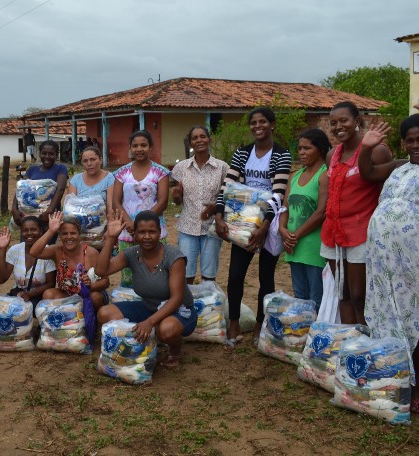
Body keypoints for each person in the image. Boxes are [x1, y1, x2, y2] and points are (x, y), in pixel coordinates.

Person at [359, 99, 419, 414]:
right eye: (410, 140)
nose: (415, 145)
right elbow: (368, 171)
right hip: (385, 262)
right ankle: (391, 379)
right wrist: (366, 145)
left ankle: (415, 390)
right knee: (388, 316)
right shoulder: (399, 167)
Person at [214, 107, 291, 350]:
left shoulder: (281, 154)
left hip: (268, 223)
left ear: (272, 124)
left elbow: (278, 194)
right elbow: (228, 186)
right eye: (253, 123)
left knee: (266, 278)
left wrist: (265, 226)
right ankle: (234, 323)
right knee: (236, 275)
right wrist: (218, 215)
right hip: (243, 223)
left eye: (262, 122)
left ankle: (260, 325)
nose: (257, 126)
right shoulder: (243, 152)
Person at [95, 210, 197, 368]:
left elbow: (176, 298)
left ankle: (175, 350)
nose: (147, 236)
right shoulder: (131, 254)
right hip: (149, 307)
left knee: (166, 330)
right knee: (104, 313)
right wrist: (111, 238)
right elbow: (101, 271)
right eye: (141, 232)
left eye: (152, 232)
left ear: (160, 232)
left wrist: (149, 322)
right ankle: (151, 336)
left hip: (179, 310)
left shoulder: (174, 257)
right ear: (134, 234)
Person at [320, 102, 392, 325]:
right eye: (333, 123)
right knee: (342, 293)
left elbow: (386, 192)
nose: (338, 126)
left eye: (344, 121)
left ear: (357, 121)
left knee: (360, 295)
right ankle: (350, 342)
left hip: (361, 232)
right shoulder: (332, 154)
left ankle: (365, 343)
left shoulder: (377, 151)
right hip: (333, 232)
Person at [278, 129, 330, 309]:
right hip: (293, 245)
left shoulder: (325, 175)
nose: (301, 152)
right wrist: (282, 229)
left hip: (313, 246)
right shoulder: (295, 176)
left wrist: (295, 235)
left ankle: (315, 334)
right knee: (299, 295)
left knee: (317, 297)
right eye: (299, 148)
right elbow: (285, 207)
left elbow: (321, 212)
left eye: (307, 148)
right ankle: (301, 333)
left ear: (321, 149)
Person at [171, 126, 229, 284]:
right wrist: (176, 196)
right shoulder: (181, 167)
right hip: (187, 227)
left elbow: (228, 197)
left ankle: (208, 306)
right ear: (190, 143)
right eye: (195, 138)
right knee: (185, 274)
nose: (199, 140)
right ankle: (187, 307)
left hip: (212, 228)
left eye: (202, 136)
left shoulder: (222, 168)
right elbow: (178, 200)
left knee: (209, 276)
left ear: (209, 139)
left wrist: (216, 208)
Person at [113, 130, 170, 286]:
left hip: (153, 230)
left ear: (150, 147)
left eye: (143, 145)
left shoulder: (160, 172)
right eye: (135, 145)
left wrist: (141, 225)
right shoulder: (121, 173)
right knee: (128, 275)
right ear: (130, 148)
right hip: (127, 230)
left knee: (156, 272)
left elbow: (163, 201)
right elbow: (116, 202)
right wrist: (129, 224)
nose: (139, 149)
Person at [29, 212, 109, 311]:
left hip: (90, 294)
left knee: (95, 297)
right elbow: (33, 252)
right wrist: (51, 231)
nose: (69, 237)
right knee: (48, 294)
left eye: (73, 233)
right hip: (68, 295)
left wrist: (89, 286)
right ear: (59, 235)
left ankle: (95, 322)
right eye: (64, 234)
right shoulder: (57, 251)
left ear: (79, 234)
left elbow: (106, 282)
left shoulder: (91, 253)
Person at [0, 217, 56, 307]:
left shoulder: (48, 252)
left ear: (41, 231)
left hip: (39, 296)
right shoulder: (15, 250)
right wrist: (2, 249)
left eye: (33, 230)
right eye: (25, 230)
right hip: (18, 294)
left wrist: (30, 294)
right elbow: (1, 279)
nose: (29, 233)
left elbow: (51, 283)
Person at [12, 140, 69, 228]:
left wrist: (49, 211)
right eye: (44, 153)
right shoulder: (32, 169)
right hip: (29, 217)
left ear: (57, 155)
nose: (47, 156)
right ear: (40, 154)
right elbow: (21, 189)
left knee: (48, 241)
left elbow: (60, 190)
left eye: (51, 154)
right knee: (29, 239)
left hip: (49, 217)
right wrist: (14, 209)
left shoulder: (61, 169)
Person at [66, 146, 115, 213]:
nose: (89, 164)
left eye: (93, 160)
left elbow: (110, 207)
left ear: (100, 160)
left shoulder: (109, 178)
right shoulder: (76, 180)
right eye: (85, 161)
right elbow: (70, 207)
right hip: (78, 219)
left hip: (101, 220)